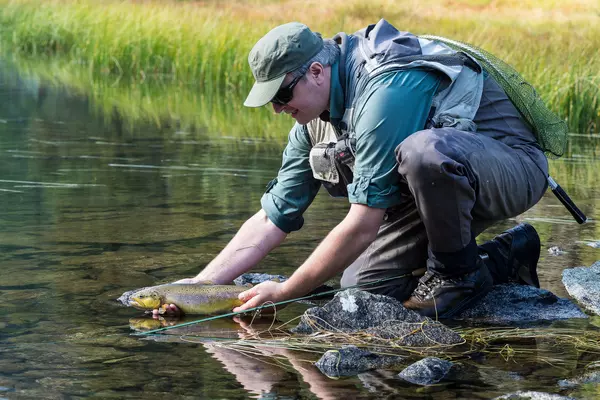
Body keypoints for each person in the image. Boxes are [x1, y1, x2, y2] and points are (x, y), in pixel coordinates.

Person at [169, 19, 548, 318]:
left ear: (316, 71)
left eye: (282, 95)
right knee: (362, 290)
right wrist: (199, 285)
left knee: (423, 151)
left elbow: (363, 222)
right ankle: (501, 259)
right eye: (270, 101)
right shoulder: (313, 119)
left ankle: (457, 276)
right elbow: (272, 219)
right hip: (435, 189)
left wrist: (286, 292)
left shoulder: (386, 90)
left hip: (512, 167)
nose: (278, 109)